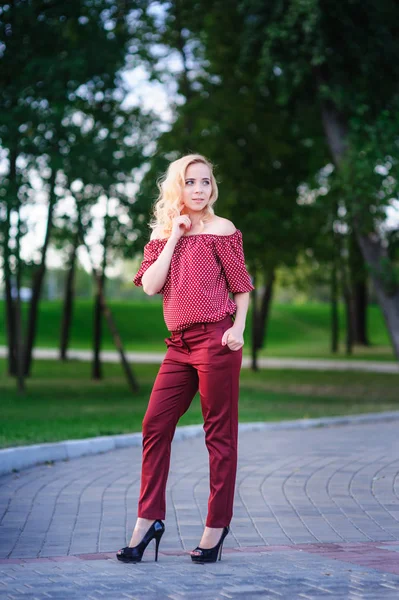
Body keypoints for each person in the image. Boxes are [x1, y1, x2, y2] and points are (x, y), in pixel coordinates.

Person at [116, 153, 254, 564]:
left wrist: (238, 329)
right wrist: (175, 235)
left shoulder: (222, 230)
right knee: (154, 426)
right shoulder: (163, 234)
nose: (199, 190)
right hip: (177, 346)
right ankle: (148, 521)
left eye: (206, 182)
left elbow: (242, 286)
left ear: (213, 187)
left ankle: (216, 526)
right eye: (191, 182)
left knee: (219, 435)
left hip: (217, 339)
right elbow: (151, 286)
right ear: (178, 186)